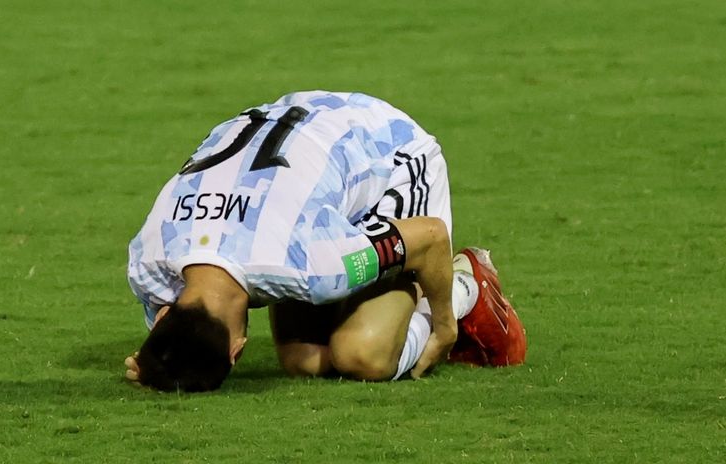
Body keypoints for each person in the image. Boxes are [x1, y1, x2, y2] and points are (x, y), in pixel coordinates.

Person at [123, 91, 525, 392]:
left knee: (362, 355)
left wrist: (443, 327)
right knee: (305, 362)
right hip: (300, 137)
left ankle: (467, 283)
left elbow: (430, 236)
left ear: (237, 350)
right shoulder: (148, 263)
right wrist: (158, 366)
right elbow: (176, 339)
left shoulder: (315, 267)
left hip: (391, 153)